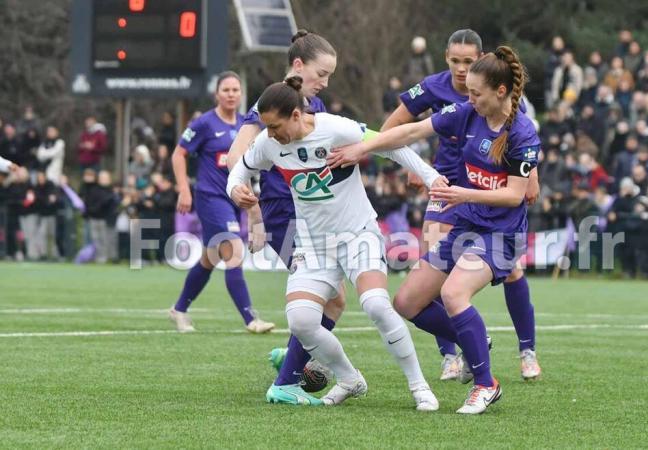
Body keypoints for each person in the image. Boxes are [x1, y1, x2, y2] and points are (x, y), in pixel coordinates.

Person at [328, 46, 540, 414]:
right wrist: (363, 148)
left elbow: (515, 196)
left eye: (476, 93)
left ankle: (486, 384)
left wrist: (463, 193)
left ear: (501, 92)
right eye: (468, 93)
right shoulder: (466, 113)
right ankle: (474, 341)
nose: (469, 99)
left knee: (455, 294)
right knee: (407, 302)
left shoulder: (522, 132)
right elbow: (411, 130)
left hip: (501, 234)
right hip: (467, 223)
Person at [228, 77, 443, 410]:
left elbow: (390, 144)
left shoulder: (335, 128)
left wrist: (431, 178)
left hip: (358, 234)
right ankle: (349, 378)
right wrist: (237, 191)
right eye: (266, 128)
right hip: (313, 245)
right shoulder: (268, 143)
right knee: (301, 321)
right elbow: (239, 171)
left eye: (275, 126)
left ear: (297, 115)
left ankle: (419, 386)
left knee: (375, 303)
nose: (270, 134)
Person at [382, 29, 541, 383]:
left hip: (486, 198)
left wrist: (532, 178)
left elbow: (525, 151)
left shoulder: (505, 99)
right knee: (429, 281)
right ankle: (452, 355)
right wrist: (409, 164)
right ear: (445, 58)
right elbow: (398, 128)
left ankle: (526, 349)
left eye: (468, 62)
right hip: (445, 187)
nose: (460, 68)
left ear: (483, 62)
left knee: (509, 270)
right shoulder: (435, 88)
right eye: (455, 61)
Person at [226, 30, 344, 405]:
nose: (325, 82)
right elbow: (237, 158)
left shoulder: (315, 107)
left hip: (311, 214)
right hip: (283, 212)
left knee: (332, 299)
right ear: (298, 65)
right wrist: (253, 209)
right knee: (330, 298)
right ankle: (286, 380)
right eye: (321, 73)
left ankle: (295, 357)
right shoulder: (272, 103)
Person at [169, 71, 274, 333]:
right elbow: (179, 154)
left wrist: (251, 203)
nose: (231, 94)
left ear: (241, 94)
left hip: (233, 199)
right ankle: (251, 319)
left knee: (210, 258)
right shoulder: (204, 123)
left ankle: (179, 309)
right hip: (210, 197)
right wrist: (184, 189)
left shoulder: (246, 125)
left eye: (235, 90)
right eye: (226, 90)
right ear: (217, 93)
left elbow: (246, 167)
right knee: (234, 250)